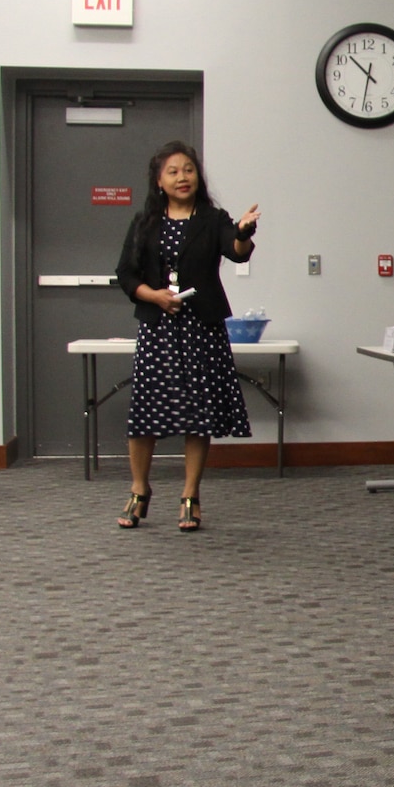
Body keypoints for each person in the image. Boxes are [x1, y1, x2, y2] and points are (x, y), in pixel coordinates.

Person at [112, 141, 259, 533]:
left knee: (199, 415)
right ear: (159, 180)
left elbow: (237, 250)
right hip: (158, 329)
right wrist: (153, 296)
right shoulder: (145, 222)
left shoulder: (213, 218)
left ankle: (190, 495)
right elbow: (125, 274)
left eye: (189, 170)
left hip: (202, 330)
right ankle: (139, 489)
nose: (183, 177)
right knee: (145, 415)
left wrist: (244, 231)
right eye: (174, 171)